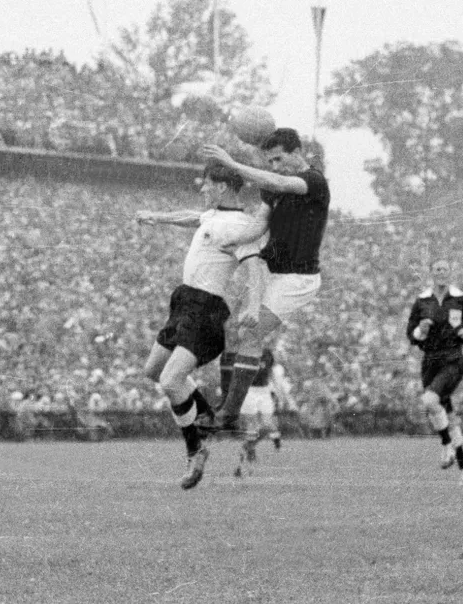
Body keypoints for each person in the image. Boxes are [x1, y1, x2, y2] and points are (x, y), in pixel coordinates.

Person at [136, 164, 267, 489]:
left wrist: (252, 305)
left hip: (206, 308)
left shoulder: (242, 226)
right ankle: (208, 415)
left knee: (171, 380)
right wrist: (158, 216)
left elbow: (253, 267)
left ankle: (196, 448)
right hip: (183, 303)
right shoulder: (212, 216)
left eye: (207, 184)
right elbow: (190, 216)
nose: (203, 189)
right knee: (153, 371)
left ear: (222, 187)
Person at [198, 127, 330, 435]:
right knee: (243, 330)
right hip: (270, 269)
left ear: (297, 153)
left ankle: (228, 413)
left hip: (297, 277)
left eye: (278, 159)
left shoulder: (314, 181)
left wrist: (232, 165)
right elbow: (259, 223)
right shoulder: (273, 187)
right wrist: (235, 239)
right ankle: (229, 411)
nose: (274, 166)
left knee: (253, 333)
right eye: (269, 161)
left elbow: (281, 181)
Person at [406, 259, 463, 486]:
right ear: (431, 273)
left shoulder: (460, 299)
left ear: (449, 273)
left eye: (444, 269)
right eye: (436, 268)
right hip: (429, 360)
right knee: (446, 414)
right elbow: (411, 334)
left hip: (452, 359)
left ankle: (446, 446)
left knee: (430, 400)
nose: (440, 272)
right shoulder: (422, 302)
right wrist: (422, 329)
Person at [231, 347, 297, 478]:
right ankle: (243, 467)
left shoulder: (267, 353)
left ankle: (246, 449)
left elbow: (272, 375)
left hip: (264, 392)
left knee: (267, 425)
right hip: (249, 391)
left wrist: (282, 396)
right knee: (251, 429)